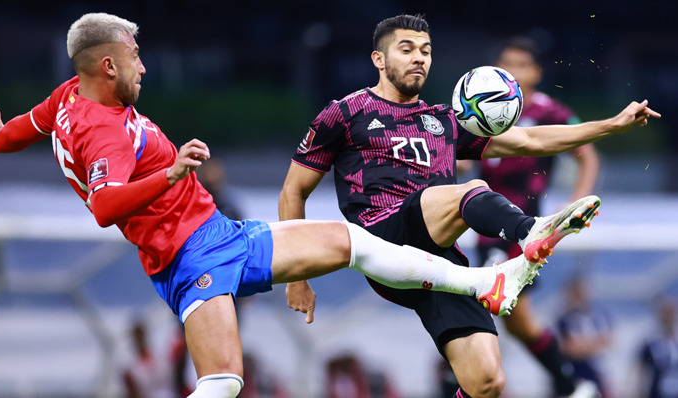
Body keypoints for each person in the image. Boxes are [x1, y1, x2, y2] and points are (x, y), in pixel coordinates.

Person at [0, 13, 548, 398]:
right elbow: (104, 205)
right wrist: (171, 172)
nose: (143, 66)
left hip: (212, 240)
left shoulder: (67, 98)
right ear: (108, 66)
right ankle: (487, 281)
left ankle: (484, 285)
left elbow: (28, 125)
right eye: (135, 57)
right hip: (192, 257)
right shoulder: (103, 130)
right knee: (225, 381)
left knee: (350, 245)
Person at [279, 14, 659, 398]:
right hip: (383, 238)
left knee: (487, 382)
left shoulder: (443, 120)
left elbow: (530, 141)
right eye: (406, 49)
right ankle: (531, 231)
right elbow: (293, 191)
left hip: (442, 263)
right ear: (379, 59)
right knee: (470, 188)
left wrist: (611, 124)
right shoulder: (344, 113)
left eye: (426, 51)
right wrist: (297, 275)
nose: (419, 59)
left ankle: (519, 250)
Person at [465, 37, 601, 398]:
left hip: (521, 229)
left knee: (479, 307)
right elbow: (464, 157)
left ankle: (461, 384)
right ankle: (570, 384)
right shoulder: (483, 109)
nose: (514, 71)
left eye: (522, 64)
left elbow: (587, 154)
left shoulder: (548, 111)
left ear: (537, 72)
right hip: (483, 223)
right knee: (517, 323)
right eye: (506, 63)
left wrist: (577, 203)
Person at [556, 277, 612, 397]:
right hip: (573, 375)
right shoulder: (564, 319)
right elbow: (568, 348)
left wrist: (582, 345)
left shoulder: (598, 315)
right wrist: (593, 344)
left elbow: (610, 341)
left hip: (597, 373)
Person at [640, 298, 678, 398]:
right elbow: (641, 374)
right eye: (666, 316)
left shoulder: (675, 345)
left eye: (671, 316)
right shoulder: (651, 345)